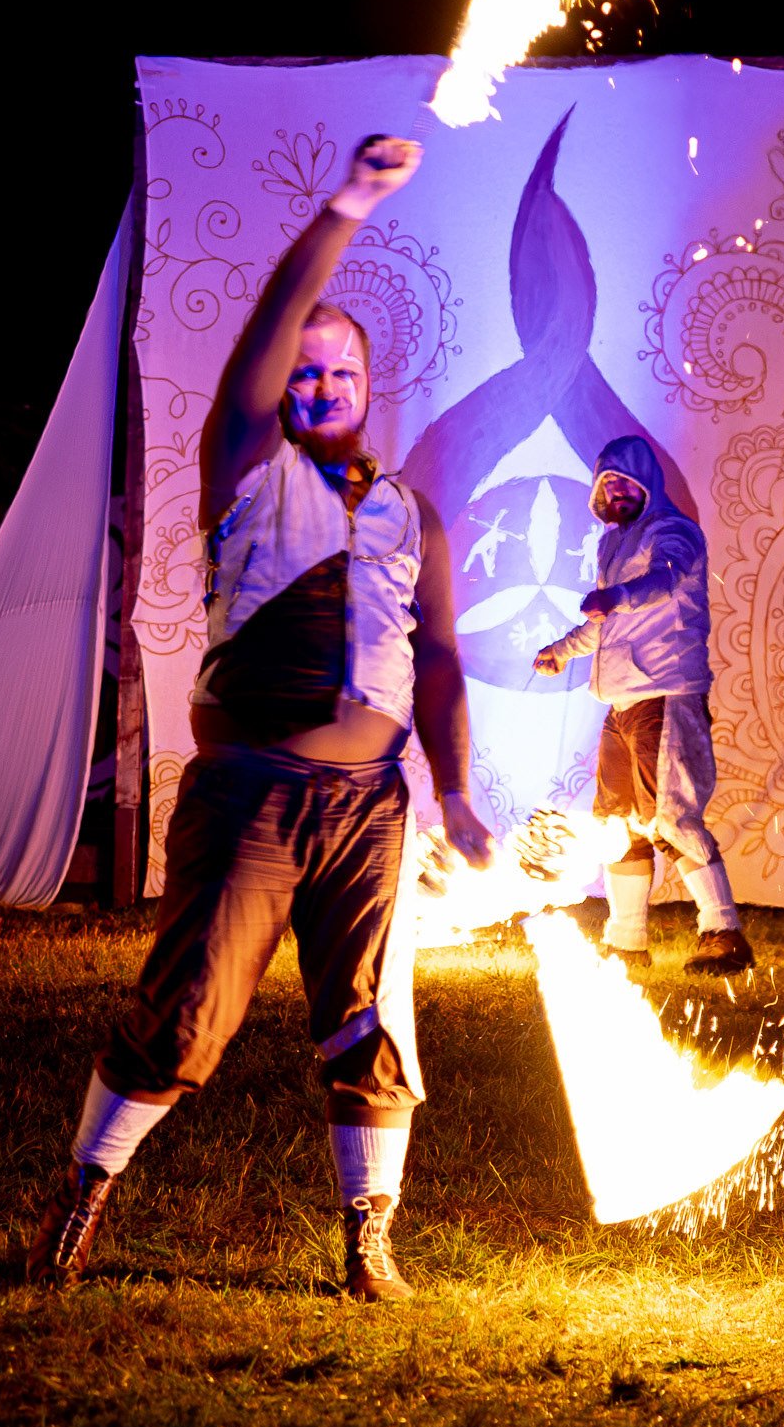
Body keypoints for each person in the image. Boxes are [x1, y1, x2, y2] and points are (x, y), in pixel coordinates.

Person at [27, 135, 494, 1301]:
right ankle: (83, 1191)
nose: (319, 387)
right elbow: (260, 344)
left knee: (373, 1022)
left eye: (341, 373)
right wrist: (347, 207)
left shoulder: (411, 515)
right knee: (189, 1015)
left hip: (370, 808)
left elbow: (438, 660)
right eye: (305, 372)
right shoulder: (244, 467)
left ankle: (367, 1239)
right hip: (251, 795)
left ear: (372, 385)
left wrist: (461, 793)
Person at [534, 436, 752, 976]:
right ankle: (626, 941)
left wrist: (619, 596)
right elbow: (606, 625)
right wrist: (561, 650)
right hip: (622, 703)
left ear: (646, 486)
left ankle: (724, 932)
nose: (616, 491)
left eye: (625, 482)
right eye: (607, 483)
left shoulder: (672, 531)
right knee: (617, 826)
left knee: (670, 817)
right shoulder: (613, 546)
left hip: (667, 694)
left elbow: (667, 577)